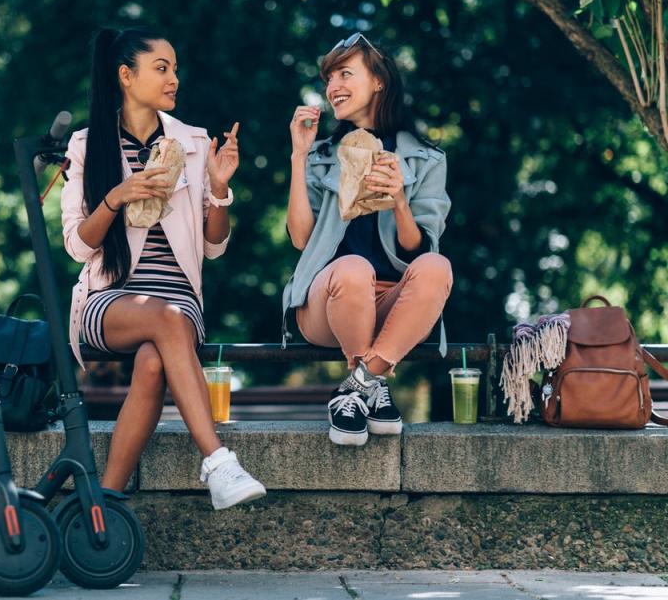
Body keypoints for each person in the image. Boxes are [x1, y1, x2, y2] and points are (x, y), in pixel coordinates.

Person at [61, 27, 266, 510]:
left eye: (175, 68)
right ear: (126, 76)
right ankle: (218, 461)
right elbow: (76, 244)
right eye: (162, 68)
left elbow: (214, 247)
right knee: (164, 321)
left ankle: (103, 507)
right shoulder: (87, 145)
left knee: (155, 359)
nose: (174, 78)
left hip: (179, 298)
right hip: (109, 299)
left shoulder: (192, 142)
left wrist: (218, 188)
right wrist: (118, 196)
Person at [283, 33, 453, 446]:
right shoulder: (323, 153)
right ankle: (370, 386)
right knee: (354, 268)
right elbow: (301, 238)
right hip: (328, 300)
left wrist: (398, 201)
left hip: (393, 306)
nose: (333, 86)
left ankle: (359, 387)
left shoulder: (427, 159)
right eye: (329, 78)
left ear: (379, 81)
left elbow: (419, 248)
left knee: (437, 266)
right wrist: (299, 155)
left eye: (345, 73)